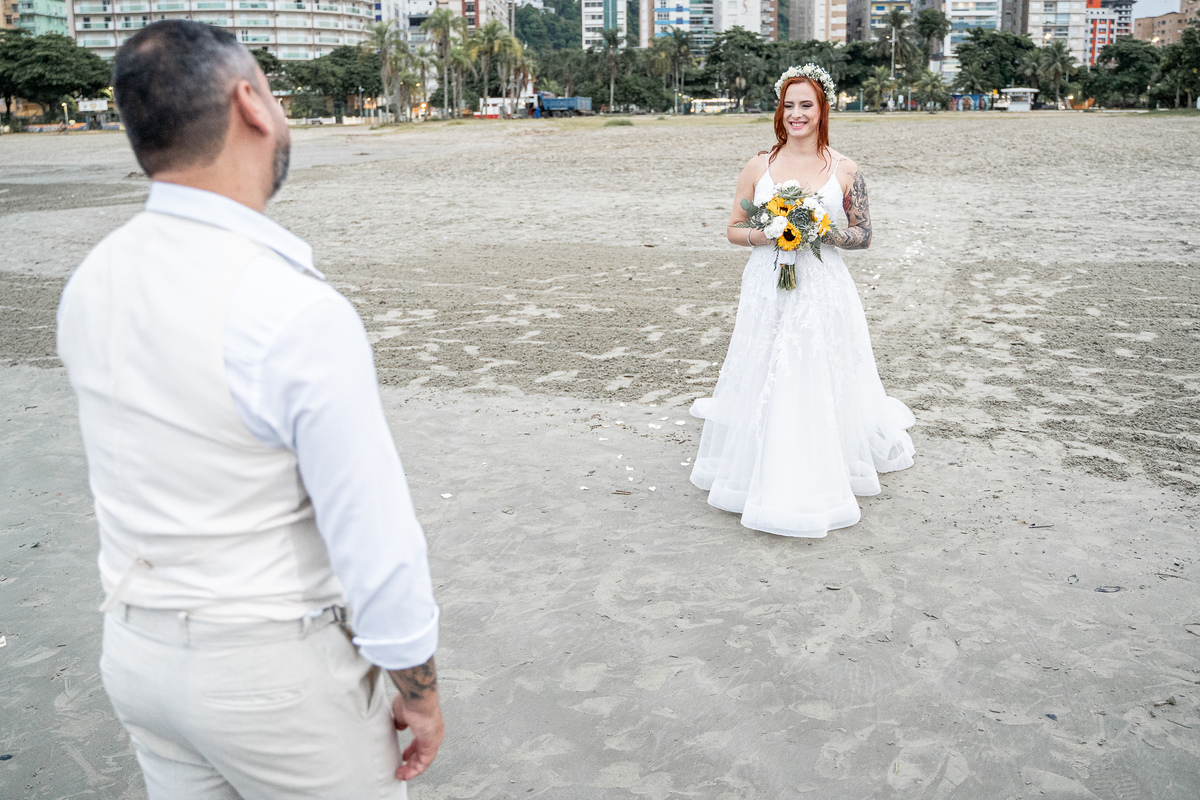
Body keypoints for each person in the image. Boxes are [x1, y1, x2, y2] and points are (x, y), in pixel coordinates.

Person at [56, 21, 443, 798]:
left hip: (136, 653)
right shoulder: (287, 306)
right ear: (252, 105)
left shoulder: (92, 279)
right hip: (273, 675)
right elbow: (373, 535)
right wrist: (418, 688)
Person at [689, 64, 915, 538]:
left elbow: (865, 234)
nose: (796, 114)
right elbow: (732, 228)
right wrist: (766, 232)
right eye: (788, 105)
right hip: (766, 283)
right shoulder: (758, 166)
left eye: (805, 105)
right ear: (780, 109)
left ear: (822, 109)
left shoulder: (846, 169)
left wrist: (821, 230)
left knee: (814, 368)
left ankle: (818, 461)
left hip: (823, 287)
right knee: (768, 366)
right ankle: (761, 462)